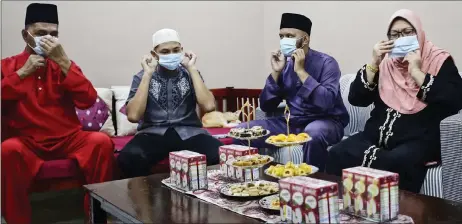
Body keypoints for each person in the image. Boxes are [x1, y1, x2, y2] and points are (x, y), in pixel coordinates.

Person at [326, 9, 462, 193]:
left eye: (408, 32)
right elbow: (356, 99)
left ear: (419, 33)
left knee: (396, 161)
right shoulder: (385, 64)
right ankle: (346, 213)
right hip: (374, 137)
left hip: (418, 140)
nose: (402, 38)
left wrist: (417, 72)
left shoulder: (438, 60)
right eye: (395, 35)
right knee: (338, 153)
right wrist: (373, 63)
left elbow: (455, 99)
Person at [1, 3, 114, 224]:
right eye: (41, 33)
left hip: (68, 139)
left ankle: (96, 216)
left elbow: (88, 100)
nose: (48, 39)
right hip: (28, 142)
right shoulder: (8, 65)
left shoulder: (64, 65)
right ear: (26, 35)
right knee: (7, 150)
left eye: (53, 34)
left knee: (101, 142)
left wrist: (63, 62)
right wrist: (22, 73)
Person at [234, 13, 349, 171]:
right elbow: (266, 106)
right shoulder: (286, 65)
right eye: (281, 36)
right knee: (242, 131)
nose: (284, 41)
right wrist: (276, 73)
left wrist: (301, 72)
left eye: (290, 36)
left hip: (326, 122)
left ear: (305, 39)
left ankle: (312, 187)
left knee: (312, 134)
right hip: (292, 123)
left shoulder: (327, 63)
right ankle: (255, 184)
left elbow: (326, 102)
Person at [117, 28, 222, 178]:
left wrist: (192, 68)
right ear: (154, 54)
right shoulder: (141, 77)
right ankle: (148, 199)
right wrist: (147, 74)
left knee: (219, 153)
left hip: (189, 133)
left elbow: (209, 106)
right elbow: (133, 116)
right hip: (153, 134)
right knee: (129, 158)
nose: (171, 55)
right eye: (165, 52)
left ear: (182, 50)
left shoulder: (190, 74)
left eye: (176, 50)